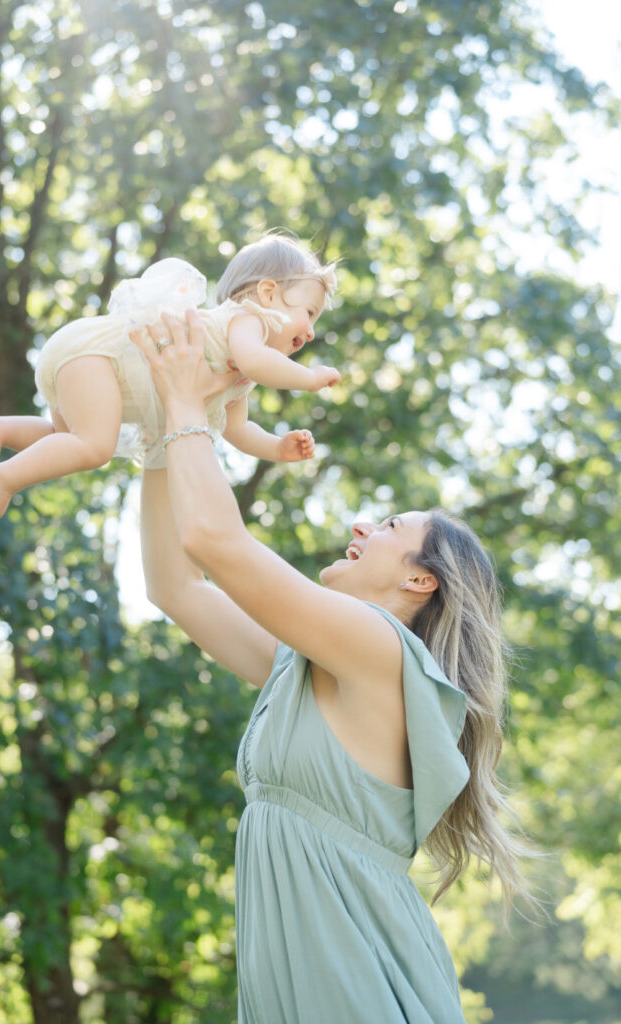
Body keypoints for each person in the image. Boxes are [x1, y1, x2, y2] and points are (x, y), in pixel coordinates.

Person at [133, 310, 531, 1023]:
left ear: (420, 582)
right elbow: (176, 587)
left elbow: (215, 542)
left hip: (360, 989)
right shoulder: (308, 664)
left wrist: (188, 404)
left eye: (386, 529)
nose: (359, 527)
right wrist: (160, 434)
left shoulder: (378, 651)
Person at [0, 234, 339, 528]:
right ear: (268, 293)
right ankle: (5, 478)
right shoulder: (248, 320)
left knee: (65, 440)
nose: (310, 331)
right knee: (94, 447)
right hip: (100, 354)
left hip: (81, 361)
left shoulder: (239, 374)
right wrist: (308, 378)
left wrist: (277, 448)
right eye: (308, 312)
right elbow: (259, 361)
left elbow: (237, 429)